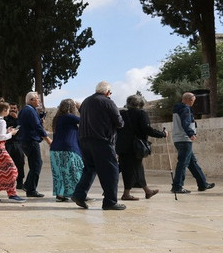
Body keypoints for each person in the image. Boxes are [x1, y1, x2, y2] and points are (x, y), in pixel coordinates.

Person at [71, 81, 125, 211]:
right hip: (101, 141)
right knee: (111, 171)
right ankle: (110, 202)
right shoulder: (108, 102)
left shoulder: (86, 102)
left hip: (84, 140)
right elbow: (119, 122)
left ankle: (79, 194)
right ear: (107, 92)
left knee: (90, 168)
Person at [116, 93, 167, 200]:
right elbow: (147, 129)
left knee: (129, 169)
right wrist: (162, 134)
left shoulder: (122, 114)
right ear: (140, 104)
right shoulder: (141, 114)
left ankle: (145, 191)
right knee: (135, 168)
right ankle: (129, 194)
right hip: (135, 147)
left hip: (122, 146)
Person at [171, 92, 215, 194]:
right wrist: (191, 133)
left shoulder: (178, 109)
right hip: (184, 139)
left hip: (179, 139)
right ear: (189, 99)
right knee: (183, 163)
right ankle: (177, 186)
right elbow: (185, 122)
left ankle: (202, 184)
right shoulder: (185, 109)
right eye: (193, 100)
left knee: (192, 163)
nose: (193, 103)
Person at [18, 92, 52, 197]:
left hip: (25, 141)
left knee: (34, 164)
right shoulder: (30, 110)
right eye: (37, 99)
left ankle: (28, 186)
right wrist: (48, 139)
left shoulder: (26, 110)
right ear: (31, 100)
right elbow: (37, 127)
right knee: (36, 164)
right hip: (31, 141)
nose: (39, 101)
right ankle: (30, 189)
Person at [49, 99, 83, 202]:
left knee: (59, 173)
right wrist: (80, 108)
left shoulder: (57, 118)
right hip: (68, 149)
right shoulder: (69, 117)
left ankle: (60, 195)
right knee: (77, 171)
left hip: (55, 149)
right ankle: (79, 194)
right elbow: (85, 120)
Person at [4, 103, 25, 190]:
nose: (13, 110)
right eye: (11, 108)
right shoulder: (4, 119)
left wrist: (16, 118)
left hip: (17, 143)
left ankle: (20, 182)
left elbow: (22, 128)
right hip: (8, 143)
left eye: (14, 108)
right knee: (7, 164)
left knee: (20, 162)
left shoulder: (19, 119)